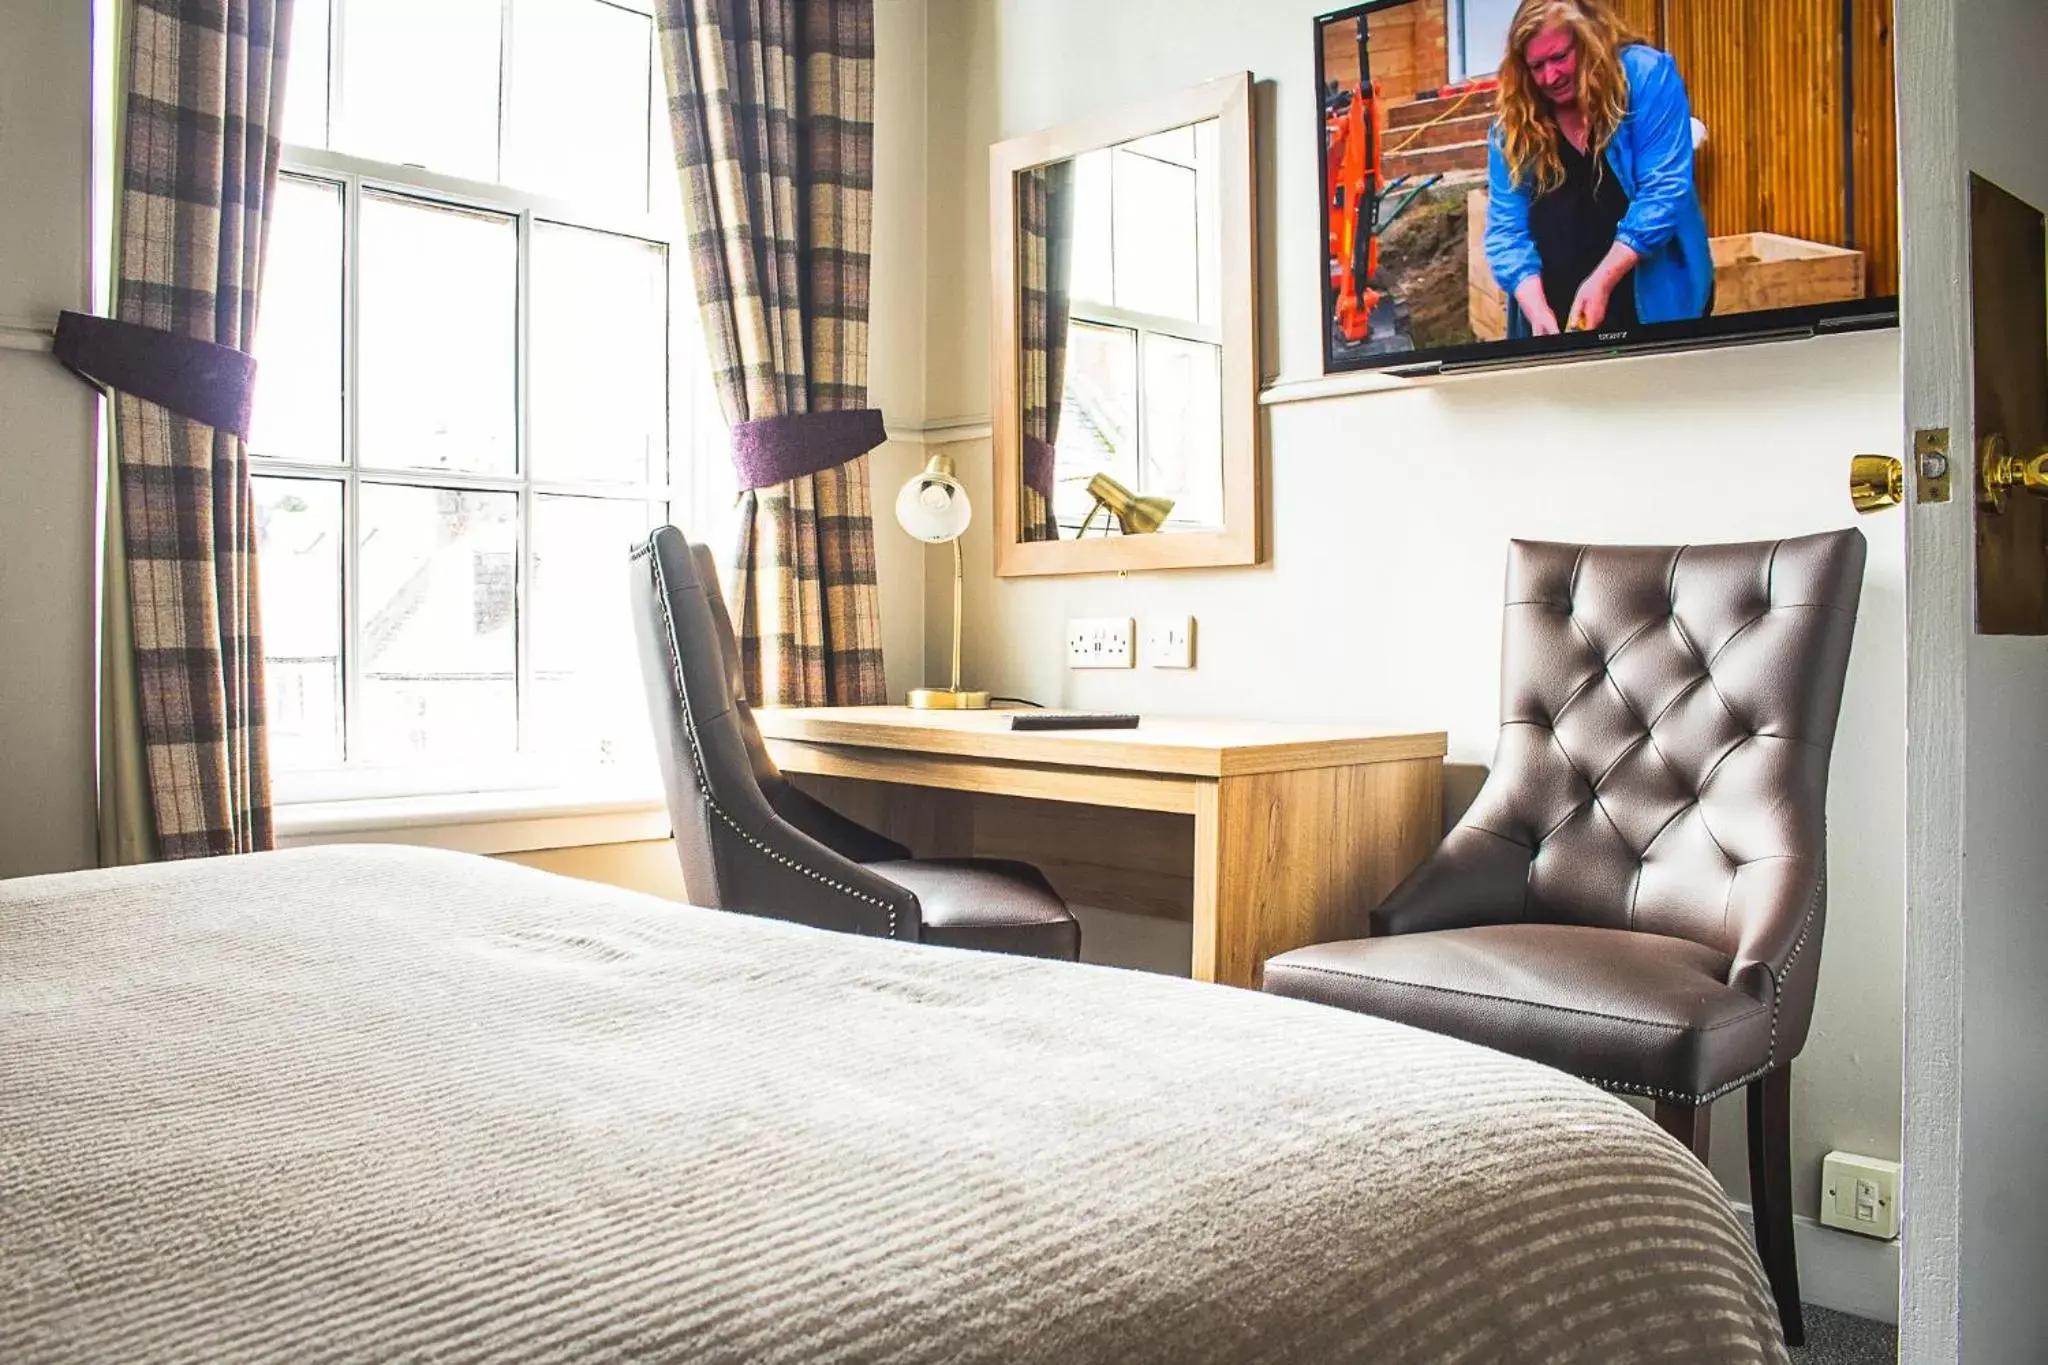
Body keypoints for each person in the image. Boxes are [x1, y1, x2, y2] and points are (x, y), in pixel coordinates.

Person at [1483, 0, 1713, 337]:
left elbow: (1663, 193)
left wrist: (1602, 280)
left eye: (1560, 57)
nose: (1550, 76)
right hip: (1557, 319)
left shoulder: (1646, 77)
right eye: (1536, 66)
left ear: (1589, 38)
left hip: (1653, 306)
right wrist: (1536, 309)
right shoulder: (1514, 123)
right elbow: (1506, 232)